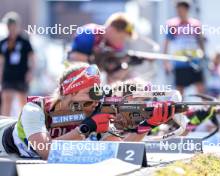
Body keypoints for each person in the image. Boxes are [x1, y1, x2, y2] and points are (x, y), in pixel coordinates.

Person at [0, 63, 174, 159]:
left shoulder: (94, 110)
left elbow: (117, 150)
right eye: (89, 93)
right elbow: (44, 150)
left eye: (97, 93)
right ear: (70, 92)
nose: (95, 101)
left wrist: (144, 126)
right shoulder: (35, 109)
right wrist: (85, 128)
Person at [163, 0, 205, 95]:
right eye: (178, 10)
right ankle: (181, 109)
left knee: (200, 87)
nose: (179, 13)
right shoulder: (172, 25)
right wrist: (166, 62)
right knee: (179, 90)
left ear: (187, 10)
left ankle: (205, 108)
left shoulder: (196, 24)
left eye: (181, 10)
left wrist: (203, 55)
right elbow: (166, 43)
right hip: (179, 63)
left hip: (194, 61)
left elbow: (200, 41)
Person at [0, 12, 35, 116]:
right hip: (8, 75)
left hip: (21, 75)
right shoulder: (3, 42)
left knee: (23, 102)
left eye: (13, 25)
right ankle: (4, 125)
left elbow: (32, 58)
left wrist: (30, 72)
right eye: (9, 25)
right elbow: (1, 61)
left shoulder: (24, 41)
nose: (11, 28)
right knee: (6, 100)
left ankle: (23, 124)